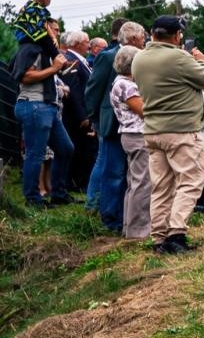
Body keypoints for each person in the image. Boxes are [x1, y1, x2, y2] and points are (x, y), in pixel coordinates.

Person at [131, 15, 204, 254]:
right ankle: (177, 234)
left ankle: (159, 238)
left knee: (161, 186)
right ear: (176, 35)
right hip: (181, 130)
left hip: (153, 130)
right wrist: (202, 61)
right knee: (190, 181)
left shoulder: (139, 59)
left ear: (152, 32)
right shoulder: (179, 57)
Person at [11, 19, 75, 207]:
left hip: (47, 106)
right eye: (53, 29)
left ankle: (58, 193)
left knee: (65, 149)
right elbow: (26, 76)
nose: (56, 33)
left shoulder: (44, 51)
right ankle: (33, 198)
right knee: (35, 154)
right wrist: (54, 68)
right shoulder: (32, 50)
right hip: (35, 105)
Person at [84, 18, 129, 220]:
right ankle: (94, 204)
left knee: (109, 164)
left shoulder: (136, 55)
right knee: (107, 164)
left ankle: (105, 205)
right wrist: (95, 117)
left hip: (127, 121)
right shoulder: (108, 56)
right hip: (109, 119)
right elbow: (93, 88)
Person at [110, 45, 152, 243]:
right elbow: (143, 110)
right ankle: (139, 230)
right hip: (137, 135)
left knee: (134, 182)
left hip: (130, 134)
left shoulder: (120, 83)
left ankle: (130, 227)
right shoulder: (127, 86)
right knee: (142, 183)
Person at [57, 29, 97, 192]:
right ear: (78, 44)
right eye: (87, 42)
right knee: (79, 149)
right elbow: (74, 92)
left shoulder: (79, 60)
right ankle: (76, 182)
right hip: (76, 116)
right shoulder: (71, 60)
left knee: (84, 149)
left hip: (82, 113)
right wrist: (83, 116)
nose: (89, 45)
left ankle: (79, 182)